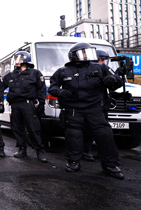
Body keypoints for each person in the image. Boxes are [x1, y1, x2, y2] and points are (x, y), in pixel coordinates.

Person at [48, 42, 124, 179]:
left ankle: (110, 165)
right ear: (74, 55)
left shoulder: (101, 67)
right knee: (73, 136)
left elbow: (118, 81)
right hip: (73, 110)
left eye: (87, 52)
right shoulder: (63, 71)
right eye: (83, 52)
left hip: (95, 109)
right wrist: (59, 91)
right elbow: (52, 87)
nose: (86, 55)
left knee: (104, 135)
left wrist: (113, 79)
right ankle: (73, 162)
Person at [2, 51, 48, 163]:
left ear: (26, 60)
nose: (17, 61)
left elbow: (41, 89)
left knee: (33, 128)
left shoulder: (35, 73)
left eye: (19, 59)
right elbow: (0, 86)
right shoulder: (11, 75)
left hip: (28, 104)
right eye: (16, 59)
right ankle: (22, 149)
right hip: (15, 105)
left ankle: (39, 150)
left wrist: (41, 103)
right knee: (17, 127)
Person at [82, 50, 112, 162]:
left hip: (103, 107)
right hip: (93, 107)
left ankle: (102, 152)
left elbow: (108, 90)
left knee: (104, 132)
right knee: (89, 131)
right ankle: (86, 151)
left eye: (105, 60)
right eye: (102, 59)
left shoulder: (105, 71)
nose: (103, 62)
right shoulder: (92, 74)